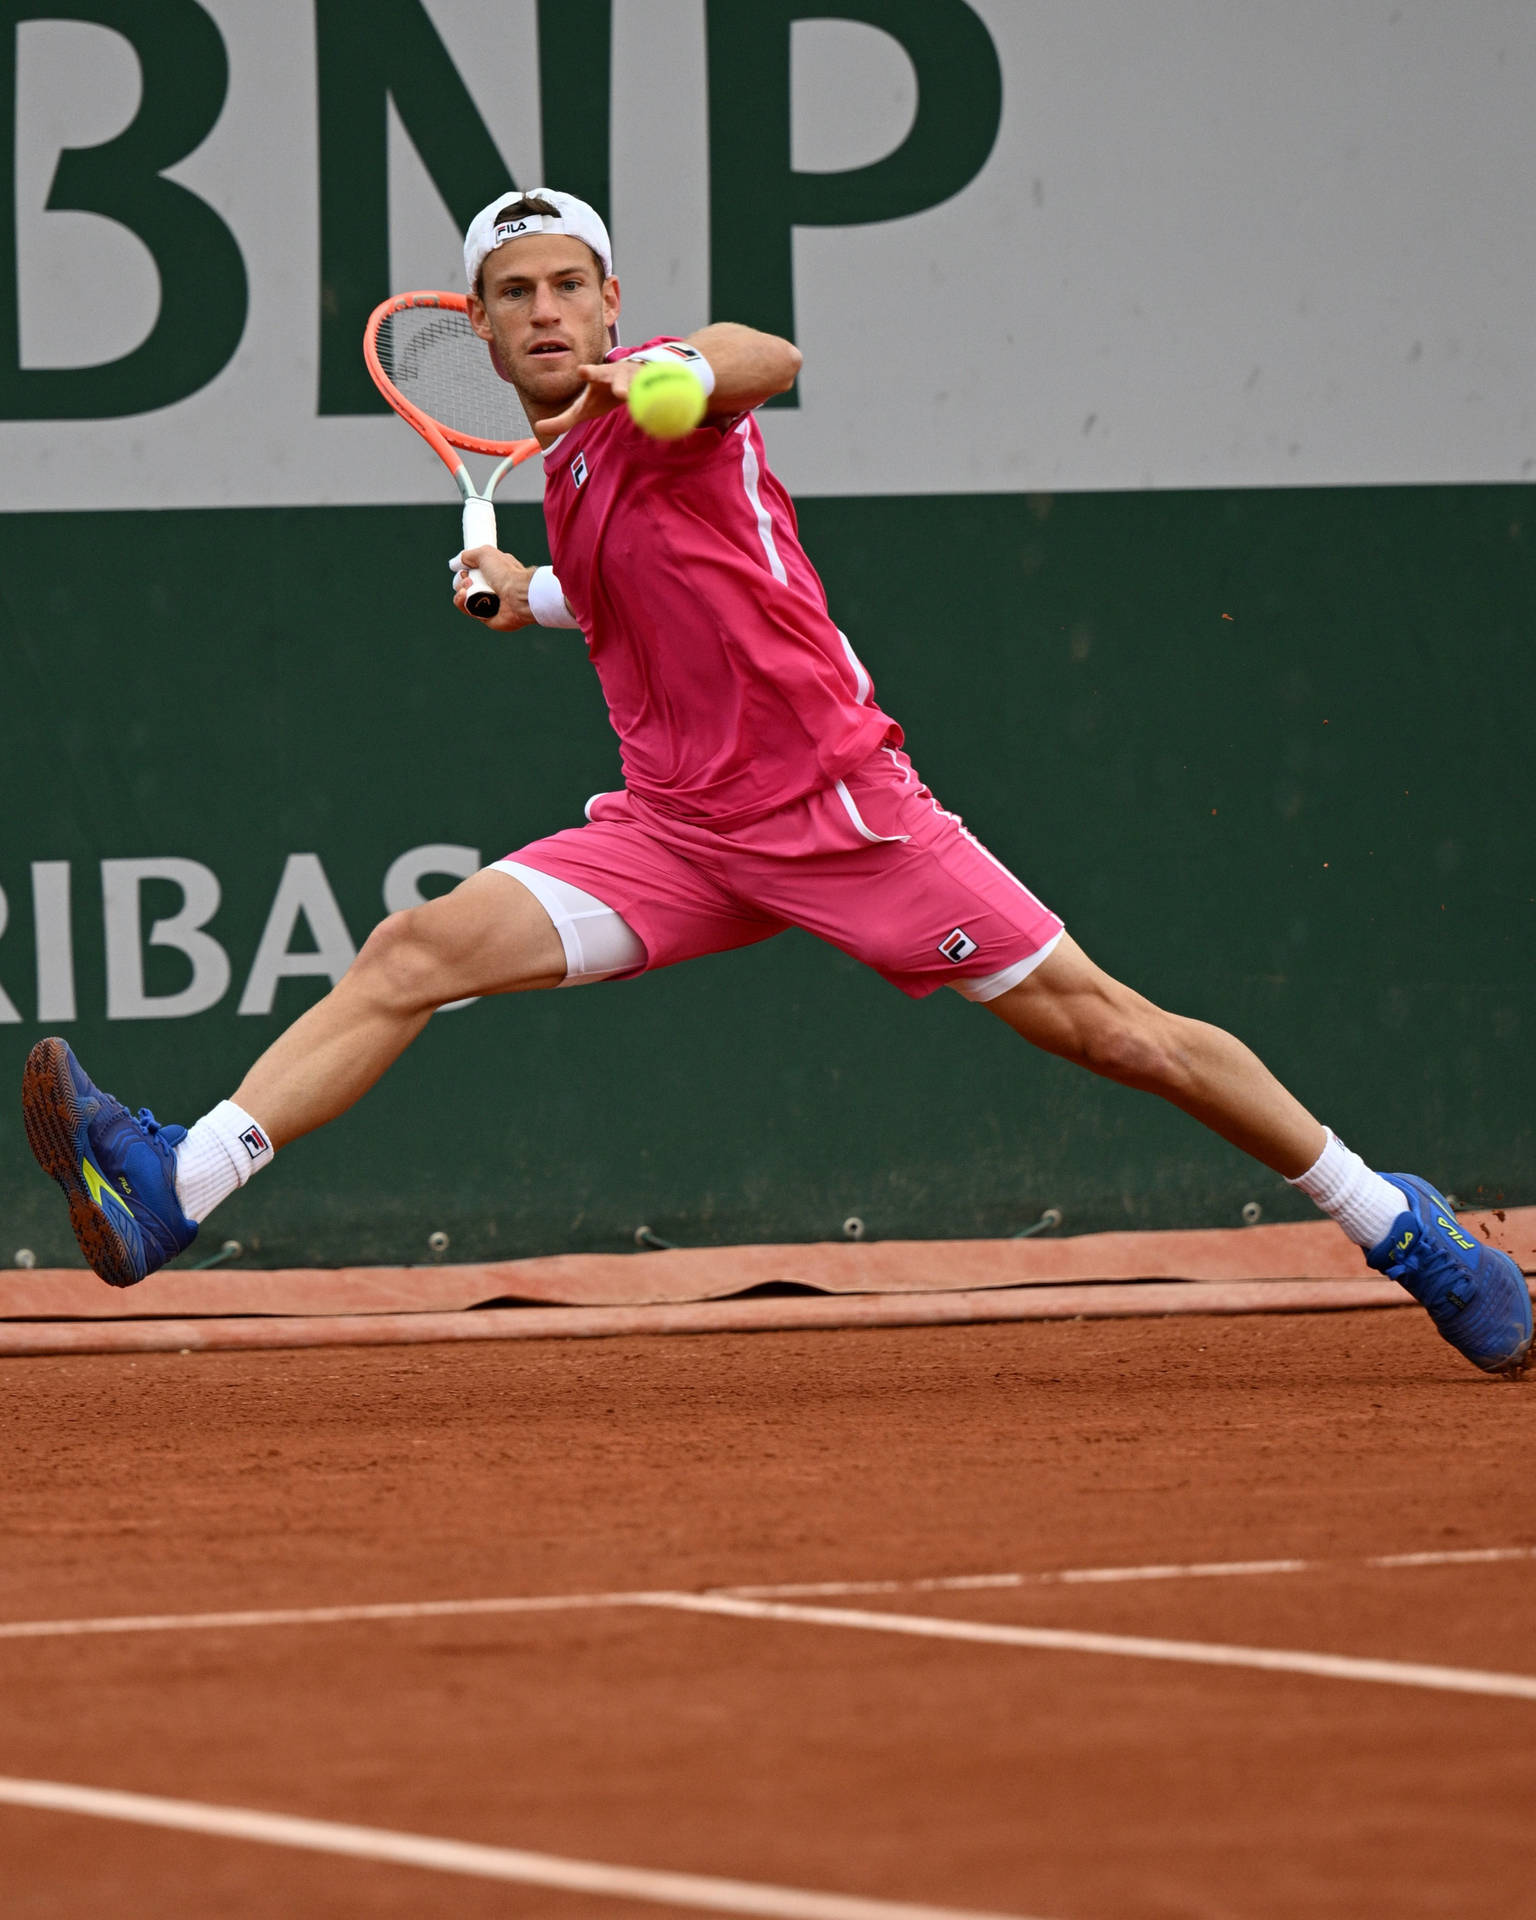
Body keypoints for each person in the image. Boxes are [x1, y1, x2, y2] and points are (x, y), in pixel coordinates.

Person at [21, 189, 1530, 1378]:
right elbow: (640, 597)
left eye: (572, 287)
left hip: (842, 817)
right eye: (516, 295)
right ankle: (176, 1189)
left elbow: (765, 359)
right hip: (673, 831)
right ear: (477, 331)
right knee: (413, 953)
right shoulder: (567, 471)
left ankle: (1396, 1224)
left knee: (1122, 1036)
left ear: (613, 302)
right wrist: (528, 596)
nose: (548, 312)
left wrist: (679, 371)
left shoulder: (671, 410)